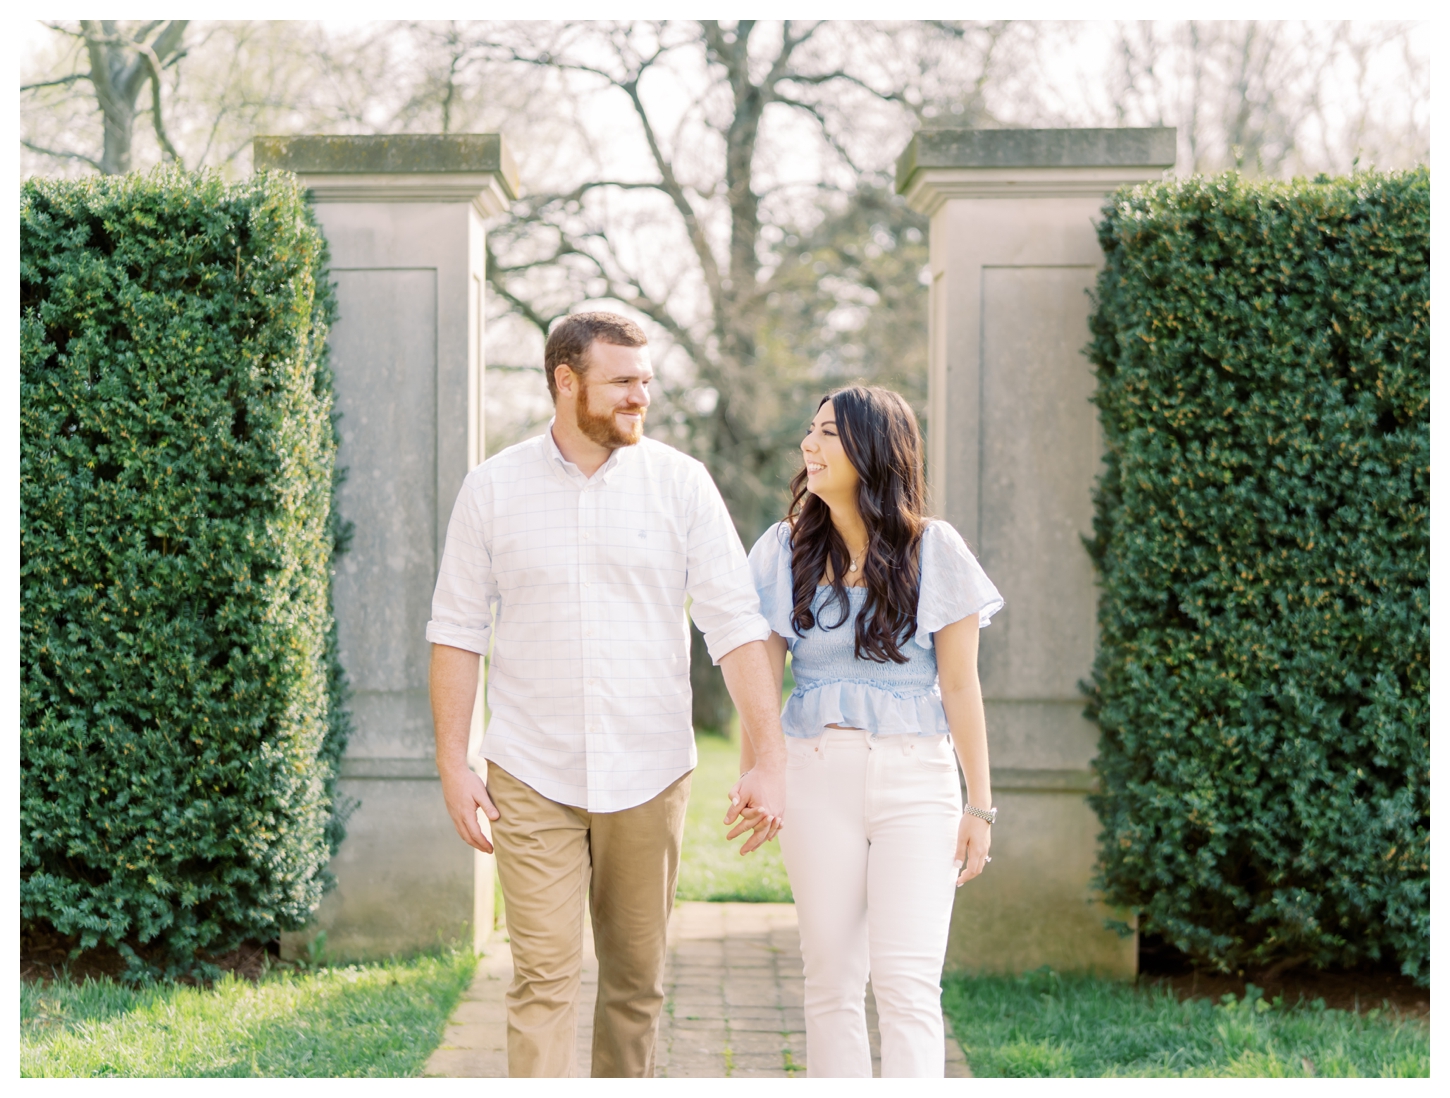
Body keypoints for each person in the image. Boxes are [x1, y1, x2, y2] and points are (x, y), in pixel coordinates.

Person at [426, 311, 788, 1078]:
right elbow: (456, 630)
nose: (641, 397)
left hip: (649, 771)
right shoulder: (491, 489)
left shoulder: (681, 485)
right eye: (623, 381)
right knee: (543, 980)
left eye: (646, 381)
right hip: (531, 772)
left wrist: (769, 758)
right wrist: (453, 763)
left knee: (634, 986)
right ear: (567, 382)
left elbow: (733, 625)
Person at [740, 385, 1003, 1078]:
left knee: (907, 984)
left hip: (917, 780)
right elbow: (761, 684)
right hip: (815, 775)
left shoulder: (934, 549)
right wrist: (758, 774)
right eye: (810, 431)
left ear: (873, 449)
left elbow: (959, 685)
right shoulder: (781, 550)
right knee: (829, 980)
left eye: (828, 433)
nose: (809, 445)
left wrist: (978, 803)